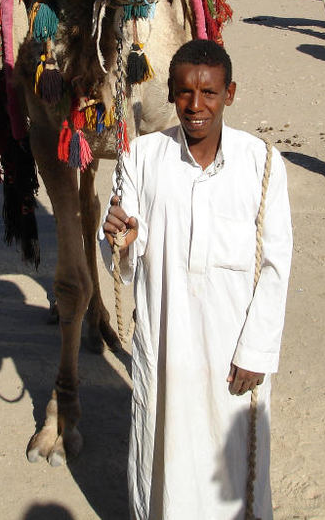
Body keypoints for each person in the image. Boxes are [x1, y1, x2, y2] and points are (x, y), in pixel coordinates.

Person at [101, 39, 293, 520]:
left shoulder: (262, 163)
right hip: (168, 344)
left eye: (208, 93)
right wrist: (120, 238)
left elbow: (275, 264)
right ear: (170, 93)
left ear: (230, 93)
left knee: (233, 465)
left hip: (233, 351)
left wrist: (256, 351)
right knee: (165, 457)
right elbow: (125, 254)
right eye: (184, 93)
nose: (196, 106)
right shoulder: (141, 158)